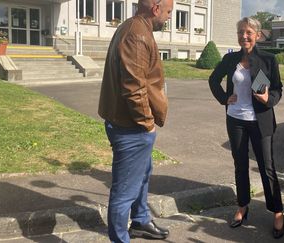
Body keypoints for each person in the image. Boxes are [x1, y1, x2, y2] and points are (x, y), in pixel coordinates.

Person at [98, 0, 173, 242]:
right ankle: (120, 238)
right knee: (124, 191)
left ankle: (140, 220)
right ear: (155, 9)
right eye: (169, 11)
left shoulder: (135, 28)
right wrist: (147, 123)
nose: (169, 17)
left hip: (129, 123)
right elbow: (134, 88)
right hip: (131, 126)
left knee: (142, 174)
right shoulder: (137, 35)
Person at [208, 17, 284, 239]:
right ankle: (243, 206)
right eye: (241, 32)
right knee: (240, 165)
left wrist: (268, 99)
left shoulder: (268, 59)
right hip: (235, 119)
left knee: (267, 168)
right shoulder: (230, 58)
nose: (244, 36)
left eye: (249, 32)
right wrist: (224, 98)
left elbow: (278, 89)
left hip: (260, 120)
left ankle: (277, 211)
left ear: (258, 35)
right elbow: (213, 80)